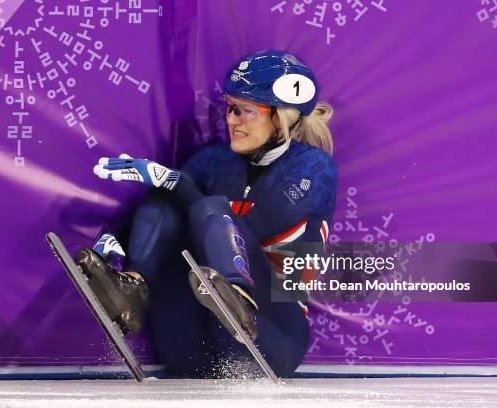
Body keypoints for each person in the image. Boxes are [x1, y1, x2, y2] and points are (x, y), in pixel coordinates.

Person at [75, 50, 338, 378]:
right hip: (189, 345)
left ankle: (237, 297)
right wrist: (115, 237)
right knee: (164, 196)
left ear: (281, 116)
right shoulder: (212, 161)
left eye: (246, 111)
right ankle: (133, 288)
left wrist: (178, 182)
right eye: (230, 107)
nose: (231, 119)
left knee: (207, 205)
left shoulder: (314, 167)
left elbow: (254, 225)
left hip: (270, 336)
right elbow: (167, 209)